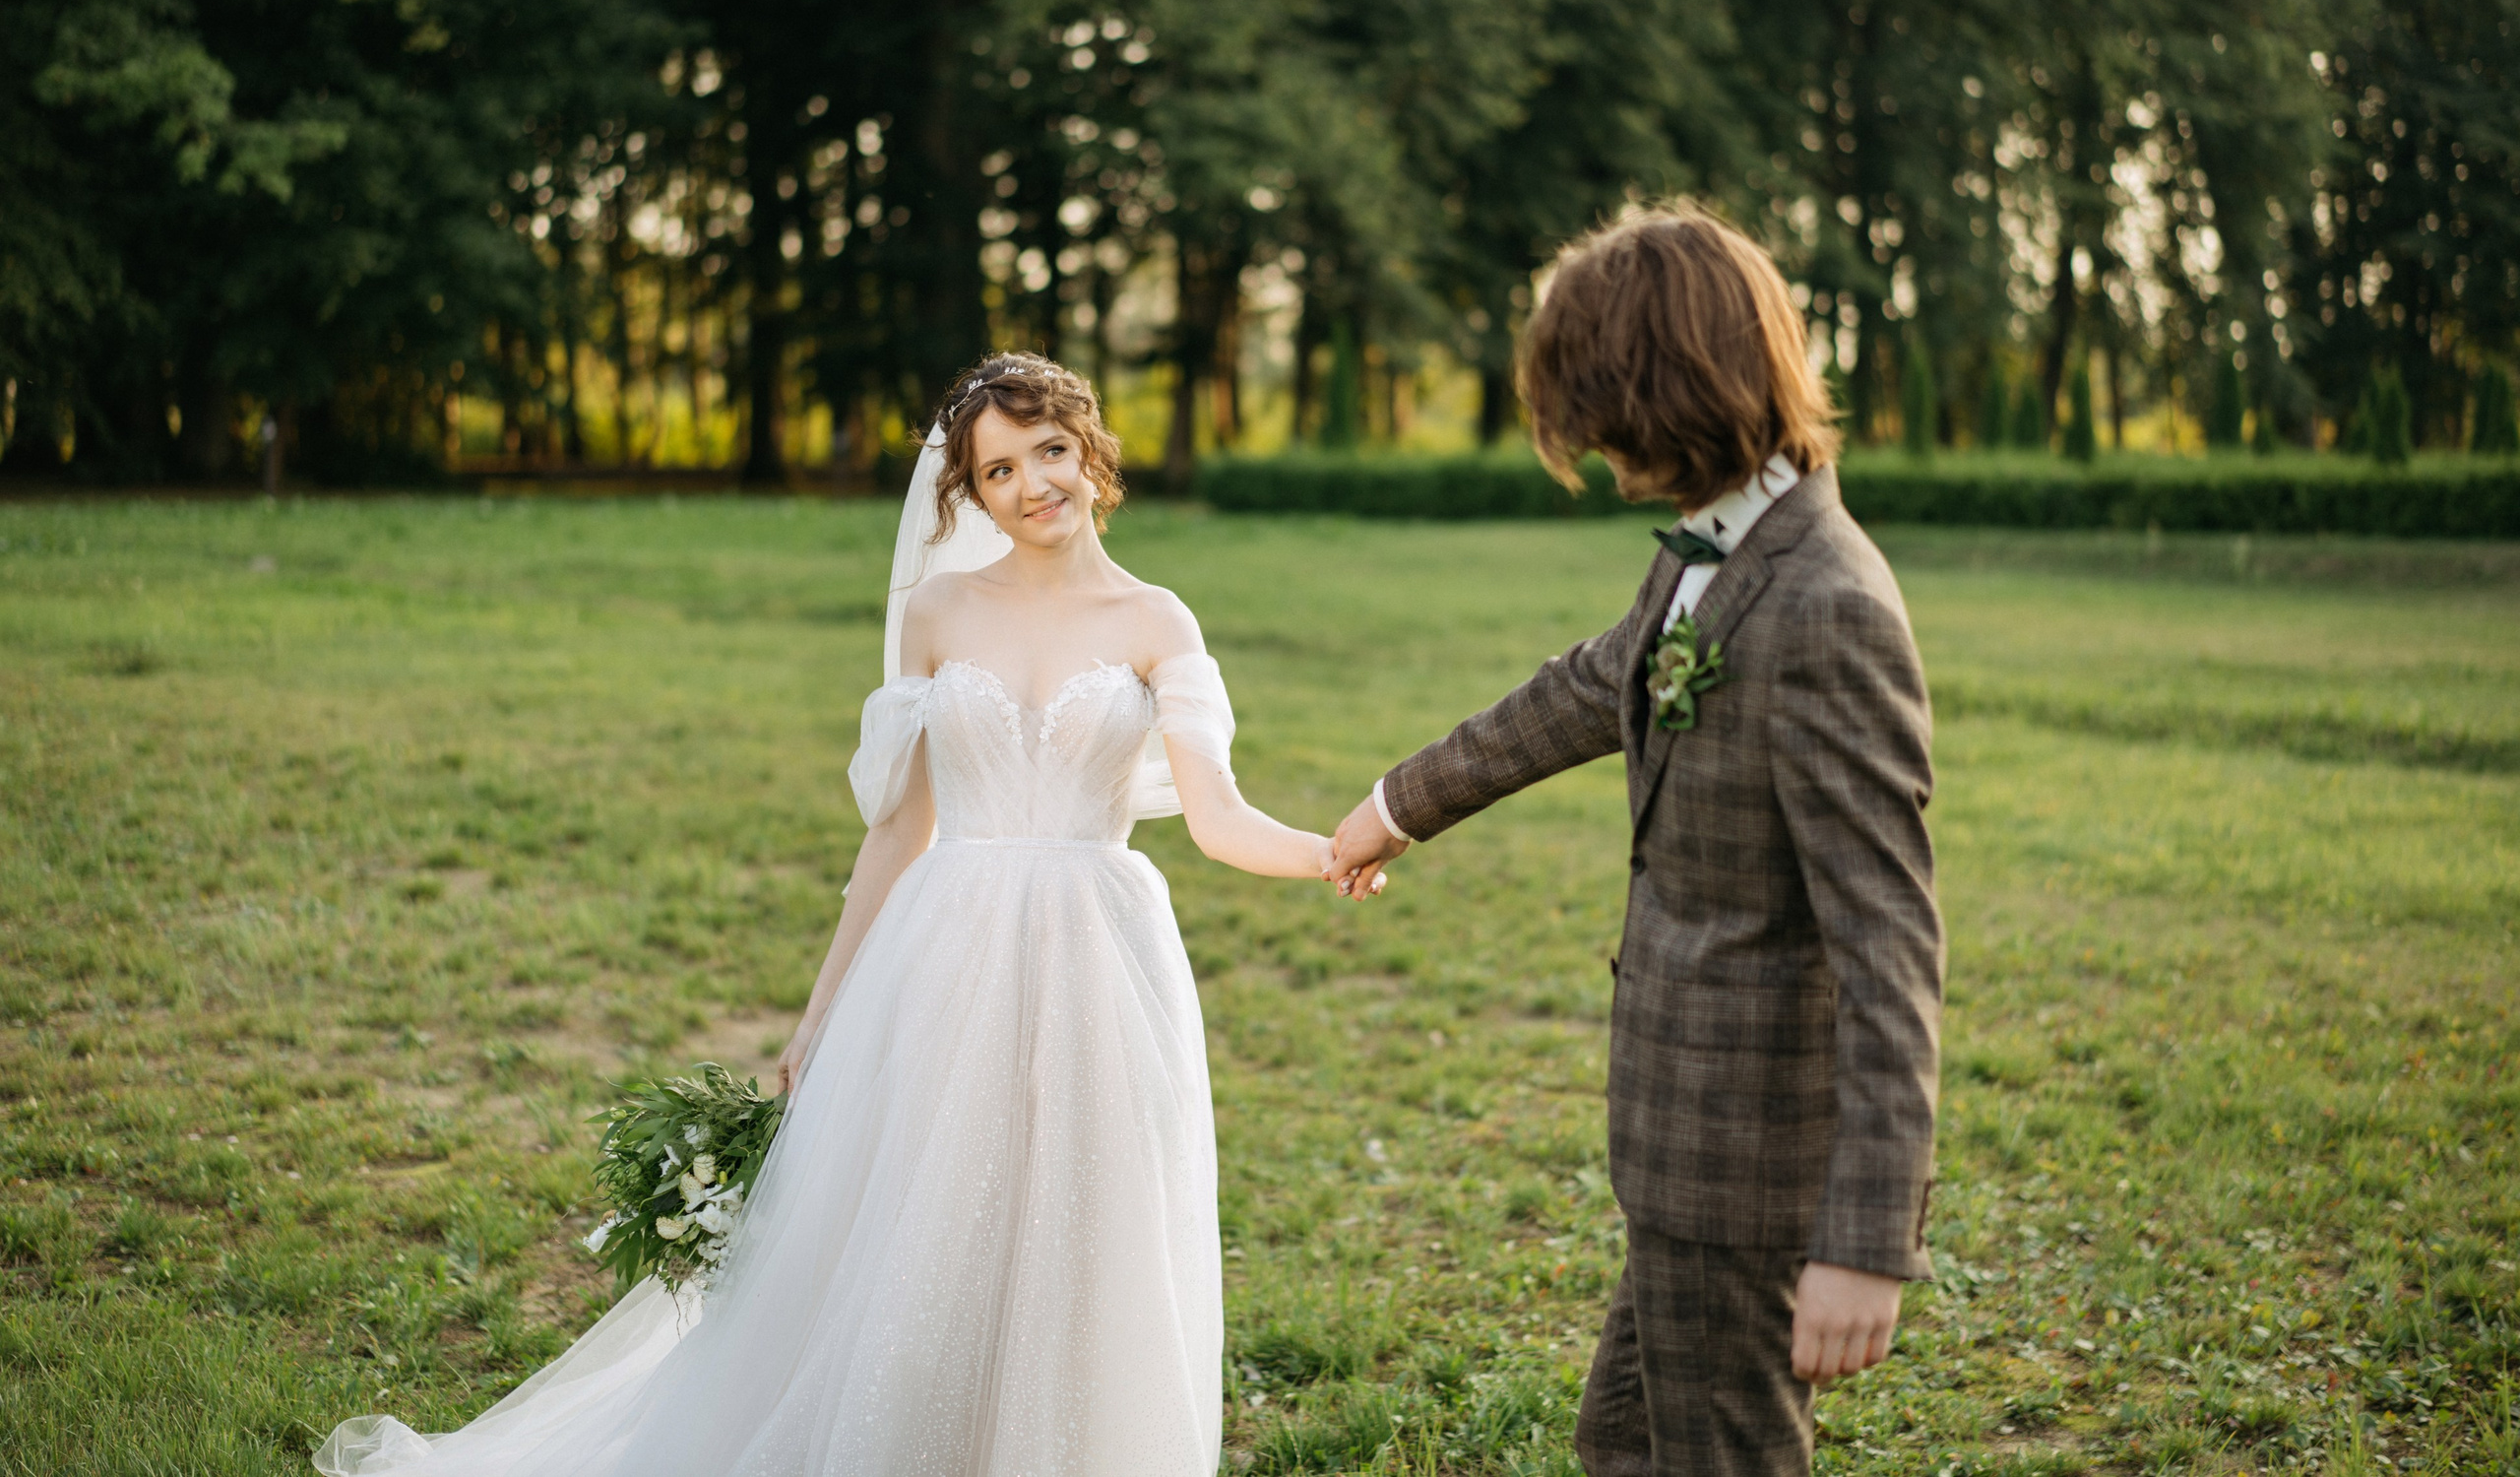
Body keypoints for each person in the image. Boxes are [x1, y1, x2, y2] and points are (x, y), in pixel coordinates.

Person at [317, 354, 1335, 1477]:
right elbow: (898, 831)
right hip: (947, 949)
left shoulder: (1155, 618)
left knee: (1077, 1223)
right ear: (970, 494)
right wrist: (819, 1013)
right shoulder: (939, 612)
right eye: (997, 470)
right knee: (929, 1217)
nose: (1032, 485)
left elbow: (1219, 816)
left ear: (1088, 451)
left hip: (1098, 954)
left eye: (1048, 450)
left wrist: (1330, 852)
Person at [1326, 203, 1943, 1477]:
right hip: (1679, 1144)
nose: (1592, 439)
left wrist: (1867, 1241)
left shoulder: (1823, 604)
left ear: (1672, 385)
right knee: (1623, 1439)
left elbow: (1889, 947)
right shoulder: (1715, 544)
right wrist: (1400, 801)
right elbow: (1593, 682)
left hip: (1744, 1159)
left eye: (1597, 403)